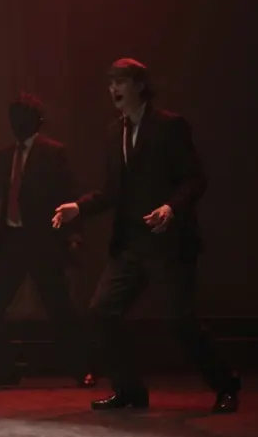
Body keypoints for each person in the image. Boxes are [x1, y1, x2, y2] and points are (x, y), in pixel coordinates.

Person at [52, 58, 240, 413]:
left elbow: (194, 178)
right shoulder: (114, 132)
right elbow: (112, 191)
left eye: (120, 82)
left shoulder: (169, 126)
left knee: (181, 322)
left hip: (168, 245)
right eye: (110, 84)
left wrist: (171, 207)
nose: (113, 90)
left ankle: (227, 384)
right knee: (101, 313)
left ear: (139, 85)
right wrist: (79, 207)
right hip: (131, 246)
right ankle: (130, 390)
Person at [0, 92, 95, 388]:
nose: (15, 123)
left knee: (59, 309)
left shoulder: (53, 153)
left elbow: (69, 194)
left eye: (21, 116)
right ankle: (3, 370)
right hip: (12, 242)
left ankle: (83, 369)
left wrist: (74, 236)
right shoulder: (5, 156)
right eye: (12, 116)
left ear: (36, 121)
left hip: (43, 244)